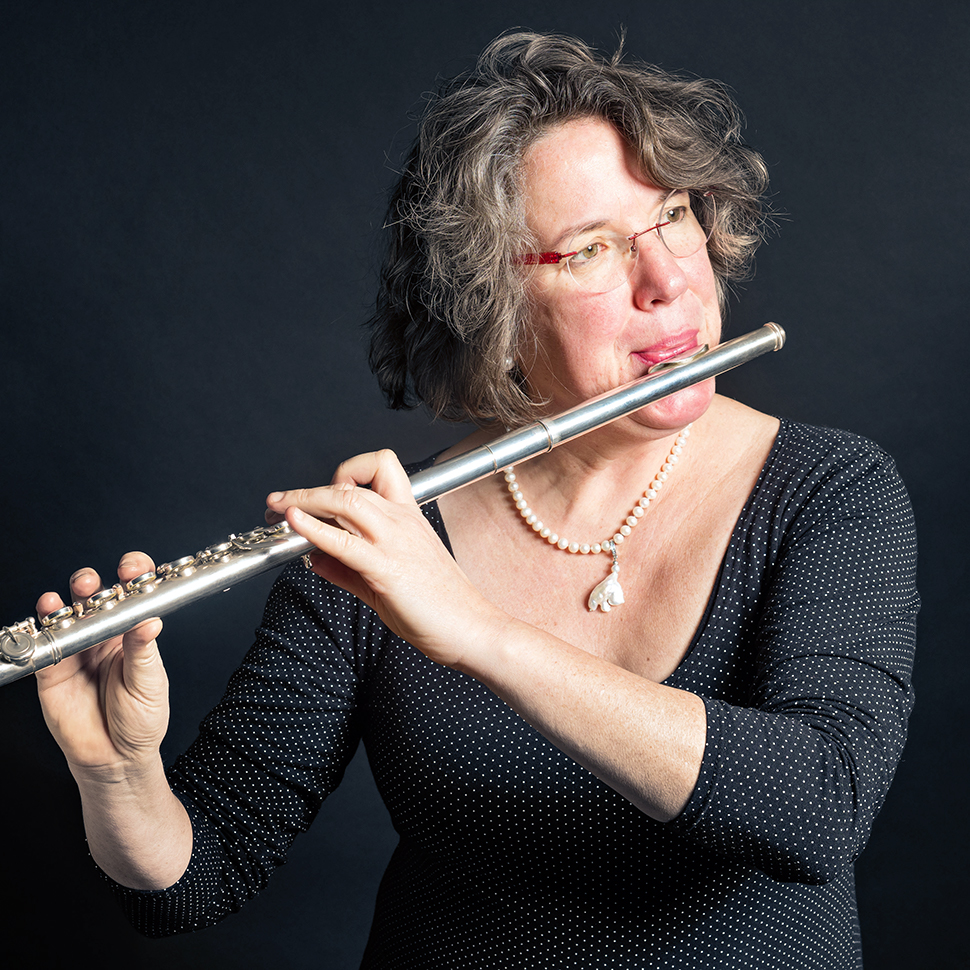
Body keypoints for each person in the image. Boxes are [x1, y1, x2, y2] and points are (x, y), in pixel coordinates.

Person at [34, 31, 917, 970]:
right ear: (491, 302)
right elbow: (196, 882)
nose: (669, 283)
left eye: (673, 216)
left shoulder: (829, 489)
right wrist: (116, 773)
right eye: (592, 250)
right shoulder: (388, 541)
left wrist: (481, 633)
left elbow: (819, 808)